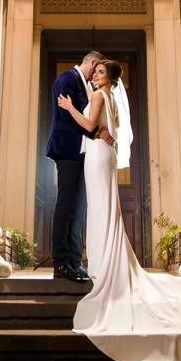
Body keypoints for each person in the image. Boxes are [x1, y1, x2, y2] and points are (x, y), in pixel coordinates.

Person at [57, 60, 181, 361]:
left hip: (97, 157)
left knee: (100, 211)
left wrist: (70, 107)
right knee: (104, 211)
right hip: (104, 156)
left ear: (108, 79)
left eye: (99, 72)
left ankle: (103, 266)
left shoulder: (99, 96)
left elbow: (87, 127)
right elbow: (103, 129)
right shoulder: (110, 96)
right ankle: (106, 262)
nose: (94, 75)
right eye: (94, 71)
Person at [45, 50, 110, 283]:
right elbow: (67, 118)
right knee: (66, 206)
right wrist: (97, 130)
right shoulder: (66, 79)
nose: (97, 75)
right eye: (98, 69)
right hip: (68, 151)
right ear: (91, 63)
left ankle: (74, 261)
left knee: (78, 208)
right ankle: (61, 263)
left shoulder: (85, 86)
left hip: (82, 154)